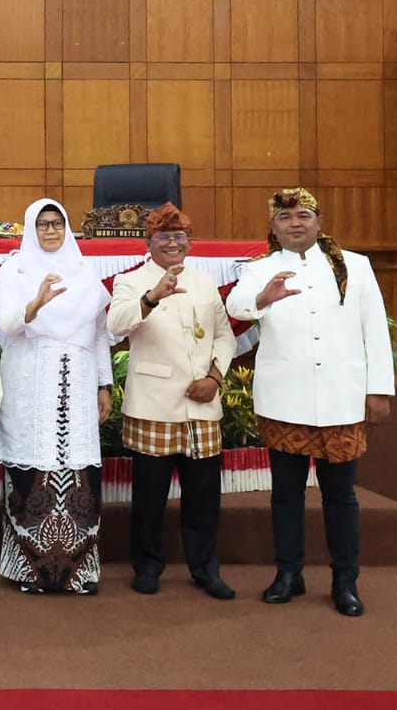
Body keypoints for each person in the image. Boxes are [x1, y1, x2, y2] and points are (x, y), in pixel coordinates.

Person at [226, 188, 394, 617]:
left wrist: (379, 389)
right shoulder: (259, 268)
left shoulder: (354, 266)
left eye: (303, 215)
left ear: (319, 221)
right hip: (284, 399)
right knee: (285, 494)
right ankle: (289, 574)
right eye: (284, 217)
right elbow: (235, 305)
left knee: (341, 496)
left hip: (342, 398)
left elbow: (375, 329)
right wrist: (264, 298)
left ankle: (345, 580)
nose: (294, 223)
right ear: (273, 226)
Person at [107, 203, 238, 600]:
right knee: (149, 499)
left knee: (203, 498)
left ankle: (205, 570)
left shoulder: (204, 282)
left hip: (201, 405)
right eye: (164, 238)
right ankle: (147, 568)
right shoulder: (130, 282)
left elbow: (224, 336)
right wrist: (152, 297)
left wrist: (214, 378)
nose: (173, 244)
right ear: (148, 244)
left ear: (189, 243)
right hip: (154, 404)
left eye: (180, 237)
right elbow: (116, 326)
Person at [0, 198, 113, 594]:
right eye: (42, 224)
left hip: (76, 379)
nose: (51, 230)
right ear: (30, 229)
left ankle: (79, 573)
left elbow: (98, 334)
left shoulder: (83, 271)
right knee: (30, 471)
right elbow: (5, 323)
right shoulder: (15, 270)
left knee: (78, 471)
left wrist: (104, 385)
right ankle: (30, 572)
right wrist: (35, 304)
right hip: (28, 376)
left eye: (58, 222)